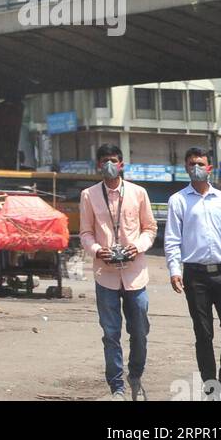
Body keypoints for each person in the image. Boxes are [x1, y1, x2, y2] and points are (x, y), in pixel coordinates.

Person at [164, 146, 221, 401]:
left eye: (201, 164)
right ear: (185, 168)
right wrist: (174, 270)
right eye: (192, 164)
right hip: (195, 276)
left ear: (210, 167)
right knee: (203, 333)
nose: (196, 168)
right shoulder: (178, 200)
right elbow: (171, 240)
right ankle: (211, 386)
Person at [79, 143, 157, 402]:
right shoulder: (89, 195)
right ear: (98, 165)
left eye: (113, 160)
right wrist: (97, 249)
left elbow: (150, 229)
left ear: (122, 164)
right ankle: (117, 388)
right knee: (110, 333)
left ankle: (135, 374)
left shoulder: (138, 193)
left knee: (139, 330)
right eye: (104, 161)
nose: (109, 165)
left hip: (135, 274)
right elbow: (85, 233)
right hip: (105, 274)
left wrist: (137, 247)